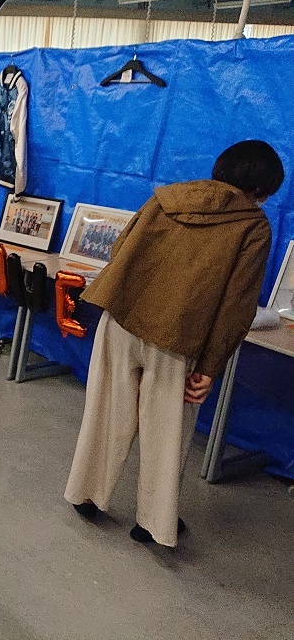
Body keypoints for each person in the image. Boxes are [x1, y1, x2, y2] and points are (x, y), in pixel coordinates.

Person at [65, 140, 285, 547]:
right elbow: (236, 305)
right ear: (260, 188)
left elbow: (120, 247)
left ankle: (85, 495)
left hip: (121, 318)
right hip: (178, 338)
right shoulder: (253, 226)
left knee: (104, 412)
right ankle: (153, 523)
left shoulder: (166, 198)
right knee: (166, 432)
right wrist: (210, 367)